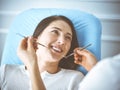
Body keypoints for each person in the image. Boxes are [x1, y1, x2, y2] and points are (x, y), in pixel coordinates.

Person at [0, 15, 97, 90]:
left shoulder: (75, 79)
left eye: (68, 37)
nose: (62, 41)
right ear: (35, 39)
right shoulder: (5, 72)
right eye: (55, 32)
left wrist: (95, 68)